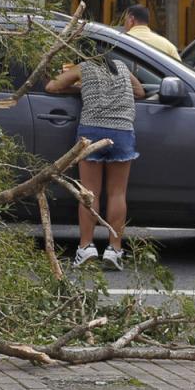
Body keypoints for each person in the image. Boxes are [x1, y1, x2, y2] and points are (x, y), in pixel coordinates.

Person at [45, 39, 144, 270]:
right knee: (117, 193)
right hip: (122, 131)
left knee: (89, 193)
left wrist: (79, 88)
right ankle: (115, 250)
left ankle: (86, 247)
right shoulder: (121, 67)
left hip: (92, 132)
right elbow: (140, 91)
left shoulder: (83, 68)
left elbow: (52, 86)